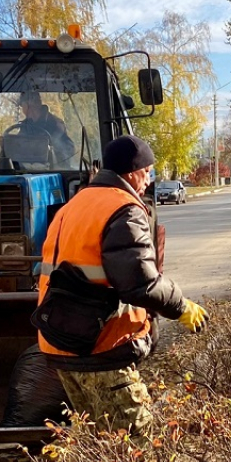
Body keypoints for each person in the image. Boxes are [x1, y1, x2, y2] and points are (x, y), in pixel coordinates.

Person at [36, 134, 209, 435]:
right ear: (132, 172)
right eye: (147, 172)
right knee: (137, 447)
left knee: (100, 445)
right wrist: (181, 306)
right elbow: (139, 283)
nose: (149, 180)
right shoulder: (123, 209)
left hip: (60, 341)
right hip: (100, 346)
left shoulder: (73, 205)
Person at [18, 91, 76, 166]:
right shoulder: (25, 126)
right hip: (29, 171)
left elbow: (68, 149)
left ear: (29, 105)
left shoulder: (55, 124)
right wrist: (7, 144)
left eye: (22, 105)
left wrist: (51, 149)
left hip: (51, 171)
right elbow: (19, 145)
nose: (22, 109)